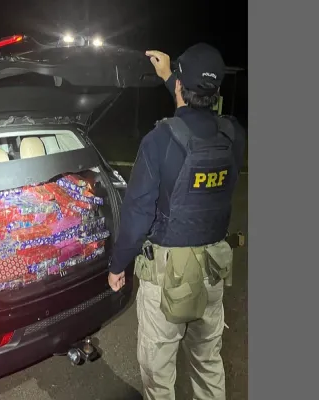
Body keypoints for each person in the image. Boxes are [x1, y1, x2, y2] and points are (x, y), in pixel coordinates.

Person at [107, 43, 246, 400]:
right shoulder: (233, 135)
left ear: (182, 86)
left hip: (166, 278)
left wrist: (118, 264)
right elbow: (200, 111)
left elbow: (138, 213)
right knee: (207, 363)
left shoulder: (159, 141)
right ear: (216, 90)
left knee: (159, 373)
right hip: (213, 270)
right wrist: (172, 77)